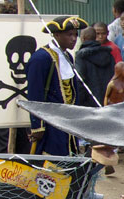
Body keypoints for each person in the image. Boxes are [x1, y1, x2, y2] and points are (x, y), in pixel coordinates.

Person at [27, 16, 89, 156]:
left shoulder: (68, 56)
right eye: (69, 35)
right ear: (56, 35)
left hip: (68, 123)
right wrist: (38, 126)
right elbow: (34, 95)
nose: (74, 38)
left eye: (75, 34)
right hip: (50, 124)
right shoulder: (41, 59)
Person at [75, 26, 114, 107]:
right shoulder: (108, 54)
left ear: (82, 38)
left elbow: (80, 81)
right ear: (95, 37)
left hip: (89, 103)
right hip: (107, 102)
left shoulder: (81, 56)